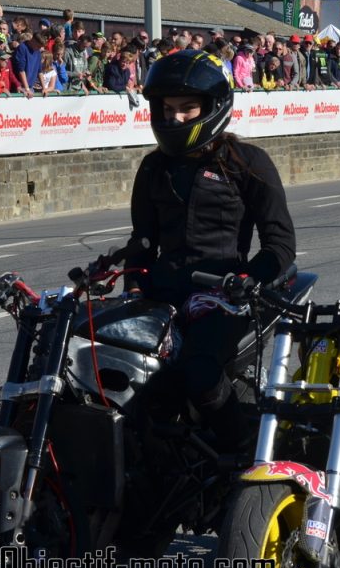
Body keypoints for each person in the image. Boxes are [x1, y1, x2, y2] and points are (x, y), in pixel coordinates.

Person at [120, 49, 296, 450]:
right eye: (167, 109)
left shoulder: (248, 163)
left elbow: (281, 244)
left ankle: (242, 455)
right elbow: (142, 243)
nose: (175, 118)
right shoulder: (152, 168)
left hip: (224, 297)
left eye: (187, 108)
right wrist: (131, 289)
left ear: (213, 107)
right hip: (161, 294)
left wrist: (247, 281)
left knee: (197, 373)